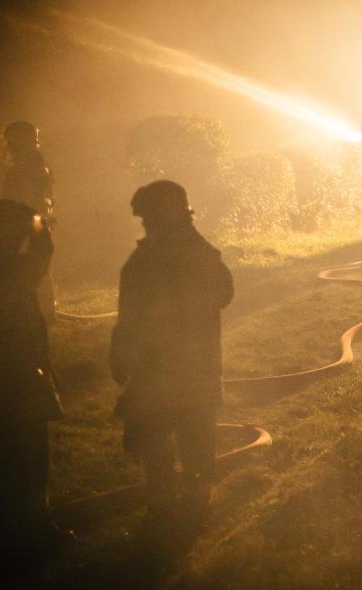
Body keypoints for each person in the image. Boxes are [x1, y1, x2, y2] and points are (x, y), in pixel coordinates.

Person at [111, 180, 233, 534]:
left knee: (165, 440)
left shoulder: (147, 260)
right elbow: (225, 292)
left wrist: (122, 357)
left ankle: (171, 507)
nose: (146, 226)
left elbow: (129, 318)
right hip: (191, 369)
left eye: (148, 219)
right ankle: (188, 505)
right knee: (188, 438)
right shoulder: (194, 253)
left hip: (165, 371)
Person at [0, 199, 66, 547]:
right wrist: (38, 221)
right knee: (29, 445)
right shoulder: (7, 271)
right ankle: (33, 522)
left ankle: (1, 518)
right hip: (18, 363)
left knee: (2, 441)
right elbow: (42, 253)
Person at [2, 121, 56, 321]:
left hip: (28, 225)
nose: (9, 147)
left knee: (34, 269)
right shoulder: (38, 166)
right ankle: (41, 312)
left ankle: (41, 314)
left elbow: (22, 200)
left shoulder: (29, 169)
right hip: (33, 224)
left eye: (12, 142)